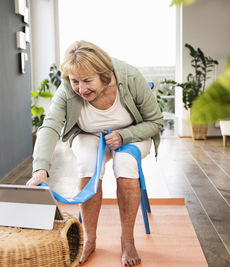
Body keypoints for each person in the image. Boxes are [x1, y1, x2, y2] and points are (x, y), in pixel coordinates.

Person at [27, 40, 163, 266]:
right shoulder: (68, 89)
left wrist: (124, 136)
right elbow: (50, 125)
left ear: (105, 74)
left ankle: (127, 239)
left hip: (132, 134)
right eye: (75, 82)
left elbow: (156, 121)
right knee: (88, 167)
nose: (81, 89)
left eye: (88, 81)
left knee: (126, 164)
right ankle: (89, 240)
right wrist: (40, 168)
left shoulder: (129, 78)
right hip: (89, 135)